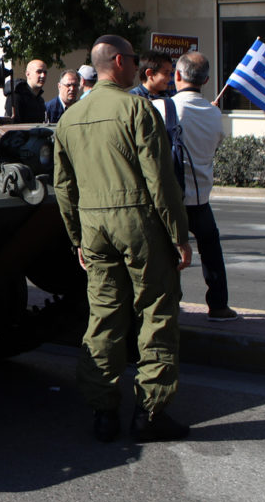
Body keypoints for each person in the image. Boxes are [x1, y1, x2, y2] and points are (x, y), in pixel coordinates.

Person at [53, 34, 193, 443]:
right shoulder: (137, 108)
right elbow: (160, 180)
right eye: (133, 59)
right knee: (156, 313)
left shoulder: (69, 118)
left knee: (104, 316)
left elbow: (64, 188)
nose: (137, 66)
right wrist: (179, 235)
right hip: (137, 223)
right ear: (118, 62)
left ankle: (103, 412)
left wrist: (77, 238)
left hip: (94, 227)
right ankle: (150, 413)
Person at [168, 51, 236, 320]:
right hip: (201, 197)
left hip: (173, 198)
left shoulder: (166, 108)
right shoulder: (214, 114)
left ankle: (172, 305)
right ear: (206, 79)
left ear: (177, 76)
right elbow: (216, 144)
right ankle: (218, 305)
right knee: (211, 251)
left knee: (169, 254)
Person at [4, 58, 49, 124]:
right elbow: (12, 127)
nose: (43, 76)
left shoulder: (40, 100)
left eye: (45, 72)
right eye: (39, 72)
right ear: (28, 74)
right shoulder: (16, 96)